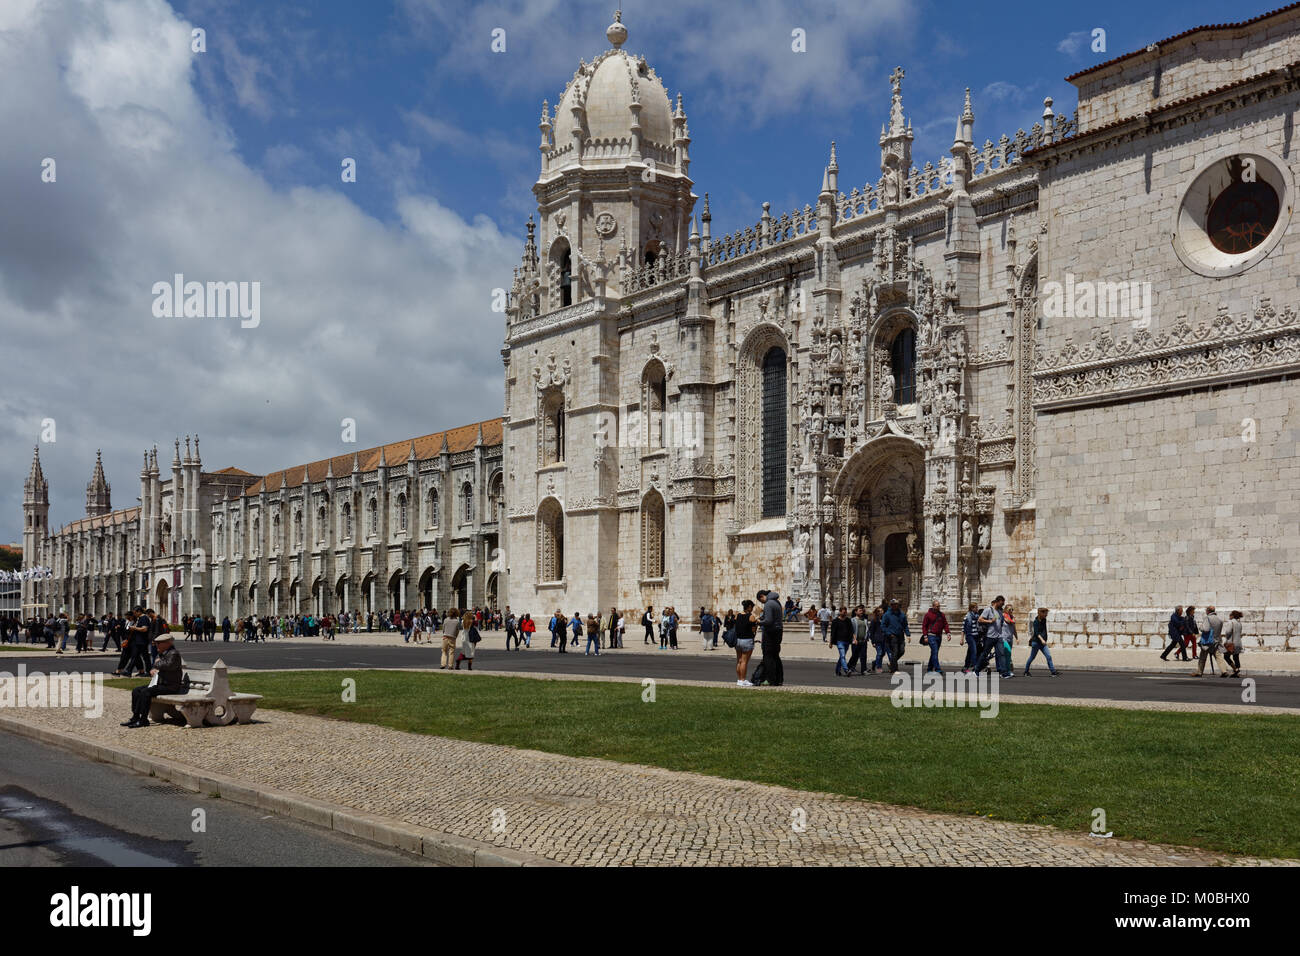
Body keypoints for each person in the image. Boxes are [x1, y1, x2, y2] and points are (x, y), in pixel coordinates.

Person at [122, 631, 183, 728]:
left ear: (167, 643)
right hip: (161, 684)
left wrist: (156, 664)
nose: (156, 646)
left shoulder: (173, 653)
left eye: (158, 643)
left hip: (170, 686)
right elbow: (159, 666)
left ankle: (143, 719)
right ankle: (135, 716)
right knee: (136, 690)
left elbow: (168, 665)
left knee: (146, 692)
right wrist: (154, 669)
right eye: (156, 643)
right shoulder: (163, 653)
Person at [750, 588, 784, 687]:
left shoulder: (768, 604)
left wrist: (759, 622)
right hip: (778, 631)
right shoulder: (776, 602)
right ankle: (779, 679)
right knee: (775, 656)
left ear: (762, 597)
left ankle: (771, 680)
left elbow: (768, 621)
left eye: (761, 601)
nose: (762, 603)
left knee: (768, 657)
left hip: (771, 633)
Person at [973, 596, 1009, 677]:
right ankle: (976, 670)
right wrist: (989, 621)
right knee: (985, 654)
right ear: (997, 602)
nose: (1002, 605)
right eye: (1001, 603)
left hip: (999, 636)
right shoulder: (989, 610)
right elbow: (980, 619)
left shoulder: (1000, 611)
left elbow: (1000, 622)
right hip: (990, 636)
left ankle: (1003, 672)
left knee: (1001, 654)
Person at [1024, 607, 1059, 676]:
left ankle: (1053, 671)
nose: (1047, 614)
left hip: (1042, 643)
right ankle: (1026, 671)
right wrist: (1042, 639)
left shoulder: (1044, 620)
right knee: (1032, 657)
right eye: (1045, 613)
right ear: (1041, 613)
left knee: (1048, 656)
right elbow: (1036, 633)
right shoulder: (1035, 622)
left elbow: (1043, 630)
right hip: (1036, 643)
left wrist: (1044, 639)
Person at [733, 599, 758, 686]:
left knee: (739, 661)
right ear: (749, 607)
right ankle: (743, 680)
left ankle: (739, 679)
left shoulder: (737, 615)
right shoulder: (751, 616)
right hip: (747, 640)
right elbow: (753, 629)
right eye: (752, 607)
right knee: (744, 662)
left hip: (738, 640)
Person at [1197, 605, 1227, 677]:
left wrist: (1200, 627)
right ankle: (1224, 671)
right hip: (1216, 641)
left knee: (1202, 657)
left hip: (1207, 641)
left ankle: (1199, 672)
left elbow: (1206, 629)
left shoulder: (1207, 618)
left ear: (1208, 610)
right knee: (1218, 657)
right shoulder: (1219, 620)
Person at [880, 599, 909, 672]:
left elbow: (905, 625)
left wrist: (908, 634)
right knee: (895, 652)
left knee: (902, 651)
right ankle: (894, 669)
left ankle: (891, 663)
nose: (896, 605)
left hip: (900, 635)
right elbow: (883, 626)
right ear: (891, 605)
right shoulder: (887, 614)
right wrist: (889, 633)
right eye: (894, 604)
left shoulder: (901, 614)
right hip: (892, 636)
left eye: (897, 604)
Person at [921, 599, 949, 674]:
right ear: (933, 606)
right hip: (931, 636)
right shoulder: (928, 615)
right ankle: (937, 668)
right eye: (937, 606)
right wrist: (925, 636)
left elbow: (945, 624)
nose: (938, 608)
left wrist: (948, 633)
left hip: (939, 636)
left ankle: (929, 668)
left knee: (934, 653)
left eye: (939, 606)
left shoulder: (941, 614)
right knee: (935, 651)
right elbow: (924, 626)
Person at [846, 605, 871, 675]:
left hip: (863, 641)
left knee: (863, 656)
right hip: (855, 641)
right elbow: (851, 631)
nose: (861, 612)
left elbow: (867, 630)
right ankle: (850, 667)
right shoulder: (853, 620)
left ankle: (864, 670)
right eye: (860, 611)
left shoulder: (865, 620)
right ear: (856, 611)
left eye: (862, 611)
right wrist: (853, 639)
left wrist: (867, 637)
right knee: (855, 656)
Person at [831, 605, 855, 676]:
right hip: (839, 641)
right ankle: (846, 670)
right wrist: (831, 642)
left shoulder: (848, 620)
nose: (845, 613)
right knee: (843, 655)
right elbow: (833, 632)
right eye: (843, 612)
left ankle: (837, 670)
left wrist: (854, 639)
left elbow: (851, 630)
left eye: (846, 612)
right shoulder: (835, 621)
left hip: (847, 641)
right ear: (840, 612)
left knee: (842, 656)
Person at [1222, 610, 1244, 677]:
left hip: (1231, 643)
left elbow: (1228, 632)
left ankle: (1235, 669)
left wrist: (1226, 637)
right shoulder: (1239, 623)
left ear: (1232, 616)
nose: (1229, 616)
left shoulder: (1231, 622)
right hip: (1238, 642)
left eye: (1230, 615)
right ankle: (1237, 671)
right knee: (1236, 657)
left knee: (1226, 656)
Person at [960, 602, 980, 672]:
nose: (977, 609)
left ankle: (966, 666)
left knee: (970, 652)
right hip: (970, 636)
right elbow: (963, 628)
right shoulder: (967, 617)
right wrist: (962, 639)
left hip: (976, 636)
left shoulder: (977, 616)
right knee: (974, 651)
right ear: (972, 608)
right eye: (976, 607)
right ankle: (975, 667)